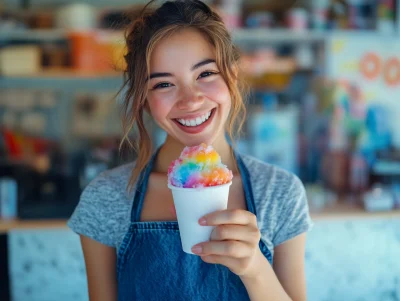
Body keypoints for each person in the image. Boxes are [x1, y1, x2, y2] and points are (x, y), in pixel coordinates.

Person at [67, 1, 314, 300]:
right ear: (144, 99)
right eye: (163, 84)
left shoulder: (279, 193)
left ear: (232, 76)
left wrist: (256, 269)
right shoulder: (106, 198)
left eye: (205, 74)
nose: (190, 100)